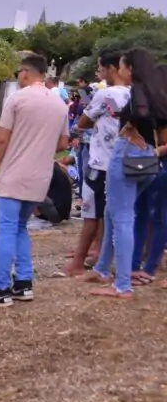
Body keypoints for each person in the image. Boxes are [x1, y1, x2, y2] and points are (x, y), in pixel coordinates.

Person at [0, 53, 69, 306]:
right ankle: (23, 283)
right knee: (20, 227)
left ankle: (0, 288)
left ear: (25, 72)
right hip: (40, 177)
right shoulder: (59, 104)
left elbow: (1, 139)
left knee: (7, 229)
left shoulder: (17, 99)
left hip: (14, 174)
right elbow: (64, 143)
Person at [85, 48, 167, 299]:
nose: (119, 71)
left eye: (121, 66)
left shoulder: (139, 90)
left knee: (122, 217)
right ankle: (102, 269)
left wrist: (131, 126)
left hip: (127, 155)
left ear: (130, 68)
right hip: (148, 161)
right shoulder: (159, 94)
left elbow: (140, 113)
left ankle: (122, 284)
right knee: (113, 211)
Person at [62, 50, 129, 277]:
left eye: (100, 68)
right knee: (115, 212)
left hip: (101, 162)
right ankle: (101, 253)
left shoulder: (106, 95)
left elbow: (83, 121)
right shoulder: (135, 93)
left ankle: (79, 262)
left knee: (92, 212)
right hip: (125, 160)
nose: (99, 74)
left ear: (111, 68)